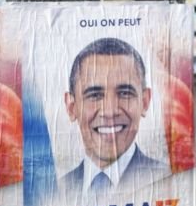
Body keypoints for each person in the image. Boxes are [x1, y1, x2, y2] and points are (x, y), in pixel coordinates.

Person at [61, 37, 169, 197]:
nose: (110, 111)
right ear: (71, 107)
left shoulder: (169, 182)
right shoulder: (56, 190)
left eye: (125, 93)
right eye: (95, 95)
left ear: (145, 102)